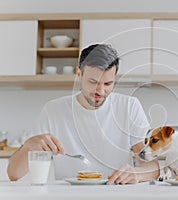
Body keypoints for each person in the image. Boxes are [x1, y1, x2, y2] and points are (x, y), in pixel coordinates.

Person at [7, 44, 159, 184]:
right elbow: (13, 174)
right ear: (79, 74)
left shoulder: (129, 106)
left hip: (115, 192)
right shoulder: (53, 110)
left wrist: (136, 174)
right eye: (93, 82)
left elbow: (153, 167)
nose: (100, 91)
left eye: (107, 84)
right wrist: (28, 147)